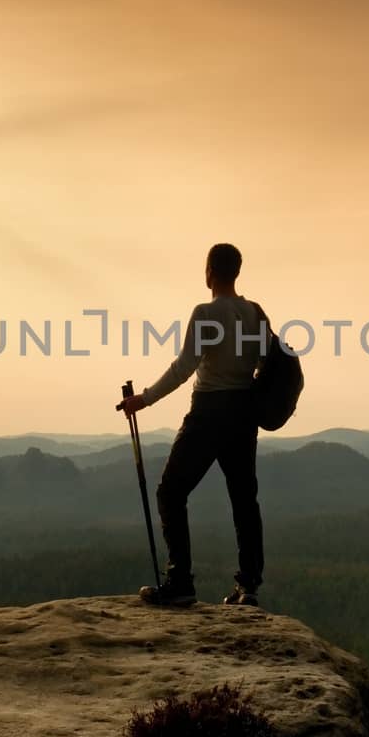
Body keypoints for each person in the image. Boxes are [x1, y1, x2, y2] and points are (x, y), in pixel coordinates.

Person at [116, 242, 267, 607]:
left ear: (210, 271)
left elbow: (185, 367)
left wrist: (144, 399)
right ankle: (248, 588)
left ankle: (180, 581)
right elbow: (265, 362)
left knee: (171, 492)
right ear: (237, 271)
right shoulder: (255, 313)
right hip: (244, 412)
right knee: (244, 499)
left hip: (209, 411)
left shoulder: (205, 313)